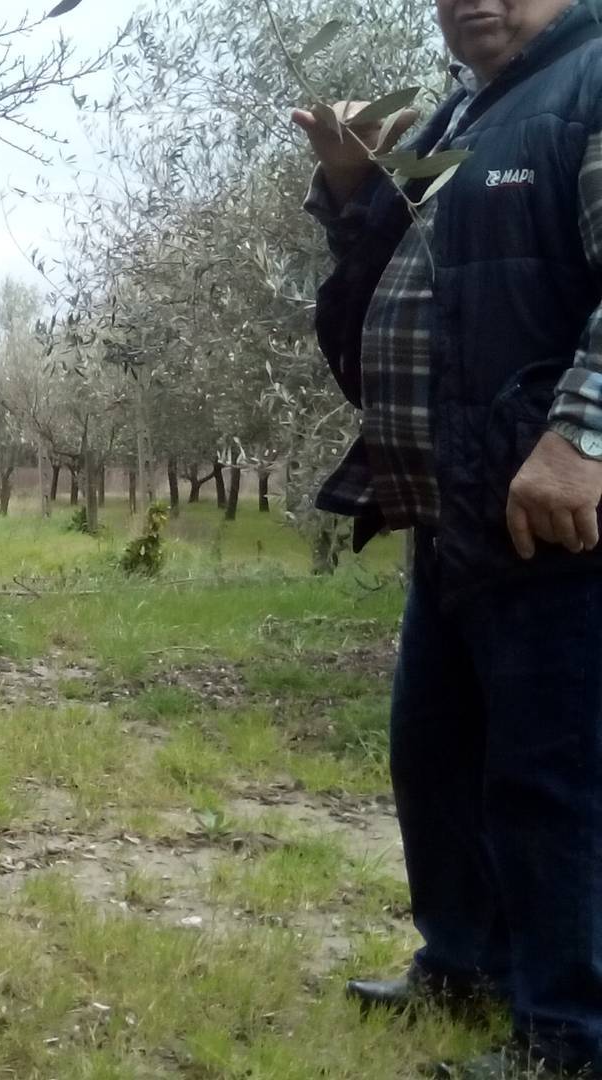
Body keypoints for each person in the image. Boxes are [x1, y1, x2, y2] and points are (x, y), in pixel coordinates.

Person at [297, 0, 602, 1076]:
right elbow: (384, 288)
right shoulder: (463, 117)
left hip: (559, 522)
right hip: (454, 510)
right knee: (437, 761)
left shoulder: (593, 84)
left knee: (553, 781)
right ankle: (465, 963)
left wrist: (582, 436)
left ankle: (570, 1035)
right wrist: (351, 190)